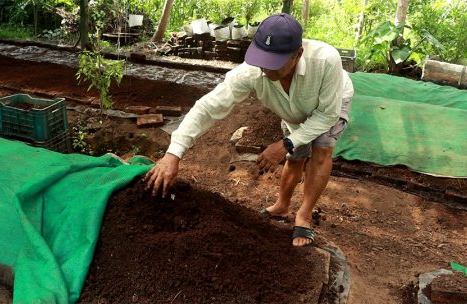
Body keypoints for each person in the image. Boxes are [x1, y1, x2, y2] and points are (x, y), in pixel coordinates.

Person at [145, 13, 354, 247]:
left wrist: (283, 144)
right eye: (262, 59)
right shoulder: (252, 71)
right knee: (295, 156)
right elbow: (208, 107)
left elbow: (327, 115)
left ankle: (303, 216)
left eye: (274, 63)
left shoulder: (326, 61)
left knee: (321, 150)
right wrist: (174, 153)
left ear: (298, 54)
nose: (265, 69)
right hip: (293, 111)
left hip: (329, 104)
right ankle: (282, 206)